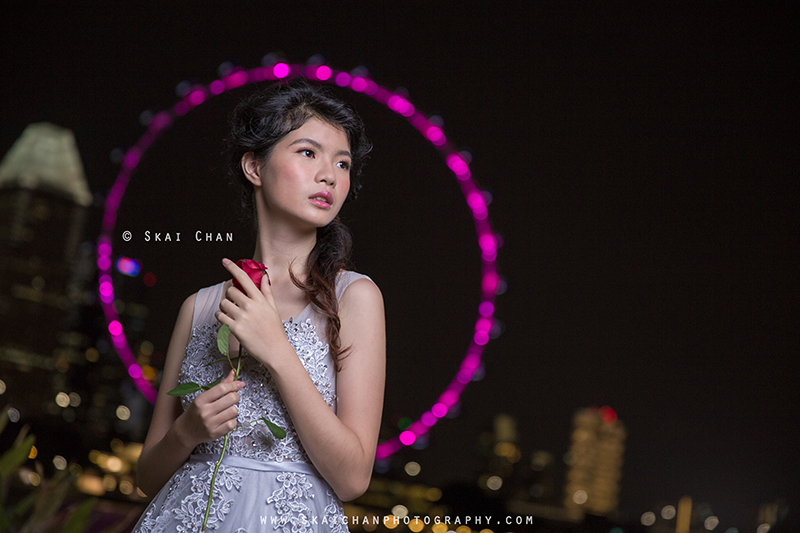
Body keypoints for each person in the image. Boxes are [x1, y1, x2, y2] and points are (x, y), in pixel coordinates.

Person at [131, 81, 386, 532]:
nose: (330, 174)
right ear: (253, 166)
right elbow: (147, 479)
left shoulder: (354, 298)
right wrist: (188, 431)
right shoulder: (199, 307)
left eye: (343, 163)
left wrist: (277, 349)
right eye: (309, 153)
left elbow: (352, 478)